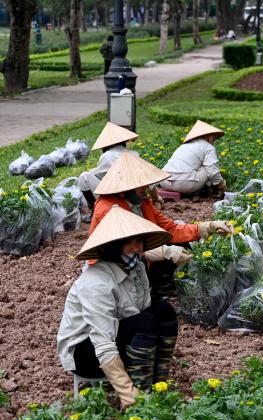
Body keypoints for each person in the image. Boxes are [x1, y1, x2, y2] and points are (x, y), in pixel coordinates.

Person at [57, 205, 175, 408]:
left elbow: (143, 309)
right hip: (85, 351)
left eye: (140, 241)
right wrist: (125, 391)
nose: (138, 249)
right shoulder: (97, 282)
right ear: (113, 246)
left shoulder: (137, 268)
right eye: (131, 243)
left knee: (164, 311)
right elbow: (102, 341)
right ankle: (136, 398)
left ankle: (157, 381)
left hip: (117, 332)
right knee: (146, 322)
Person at [91, 150, 233, 295]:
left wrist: (206, 227)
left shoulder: (142, 203)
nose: (146, 188)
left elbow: (170, 229)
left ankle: (161, 283)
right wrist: (164, 252)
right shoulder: (108, 208)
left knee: (183, 242)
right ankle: (154, 286)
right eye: (141, 184)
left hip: (141, 257)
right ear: (126, 186)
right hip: (117, 267)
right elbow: (120, 248)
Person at [79, 122, 141, 223]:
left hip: (120, 198)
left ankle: (94, 212)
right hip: (136, 198)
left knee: (84, 177)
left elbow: (98, 174)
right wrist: (156, 197)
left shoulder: (107, 156)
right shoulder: (135, 154)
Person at [159, 120, 227, 196]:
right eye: (214, 138)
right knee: (208, 167)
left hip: (164, 182)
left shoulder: (184, 146)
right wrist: (221, 183)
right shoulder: (208, 147)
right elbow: (212, 169)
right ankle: (209, 191)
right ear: (210, 136)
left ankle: (205, 190)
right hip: (184, 184)